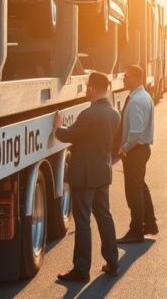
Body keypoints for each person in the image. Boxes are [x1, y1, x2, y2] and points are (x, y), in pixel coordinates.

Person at [53, 71, 121, 282]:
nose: (85, 88)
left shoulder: (89, 114)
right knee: (105, 217)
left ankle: (81, 270)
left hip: (84, 176)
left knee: (82, 222)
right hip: (102, 172)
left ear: (92, 88)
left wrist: (57, 127)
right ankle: (112, 261)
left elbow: (68, 134)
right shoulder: (114, 113)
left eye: (87, 85)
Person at [117, 64, 158, 244]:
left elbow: (136, 131)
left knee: (134, 192)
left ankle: (136, 231)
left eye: (126, 76)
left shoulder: (136, 100)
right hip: (140, 150)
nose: (123, 79)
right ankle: (149, 224)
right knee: (140, 187)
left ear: (135, 78)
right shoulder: (141, 96)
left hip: (136, 150)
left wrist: (124, 148)